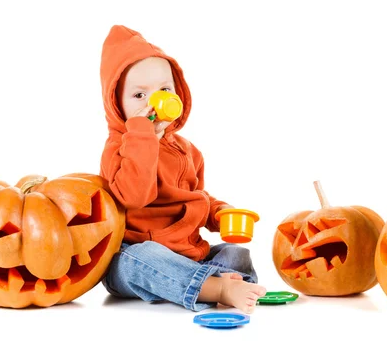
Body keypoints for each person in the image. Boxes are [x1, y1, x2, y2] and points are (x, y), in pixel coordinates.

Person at [98, 25, 266, 313]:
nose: (155, 102)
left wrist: (219, 213)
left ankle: (203, 282)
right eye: (139, 96)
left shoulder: (187, 150)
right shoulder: (120, 147)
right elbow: (134, 197)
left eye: (164, 90)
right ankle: (218, 287)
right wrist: (141, 136)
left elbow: (195, 196)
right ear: (116, 103)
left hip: (189, 256)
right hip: (135, 254)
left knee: (235, 254)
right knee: (140, 260)